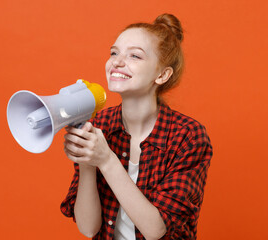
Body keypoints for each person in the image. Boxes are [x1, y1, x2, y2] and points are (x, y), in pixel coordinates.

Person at [60, 13, 213, 240]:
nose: (117, 61)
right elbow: (88, 228)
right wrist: (87, 163)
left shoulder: (188, 137)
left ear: (162, 74)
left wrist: (105, 159)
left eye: (134, 56)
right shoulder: (101, 124)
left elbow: (155, 230)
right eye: (114, 52)